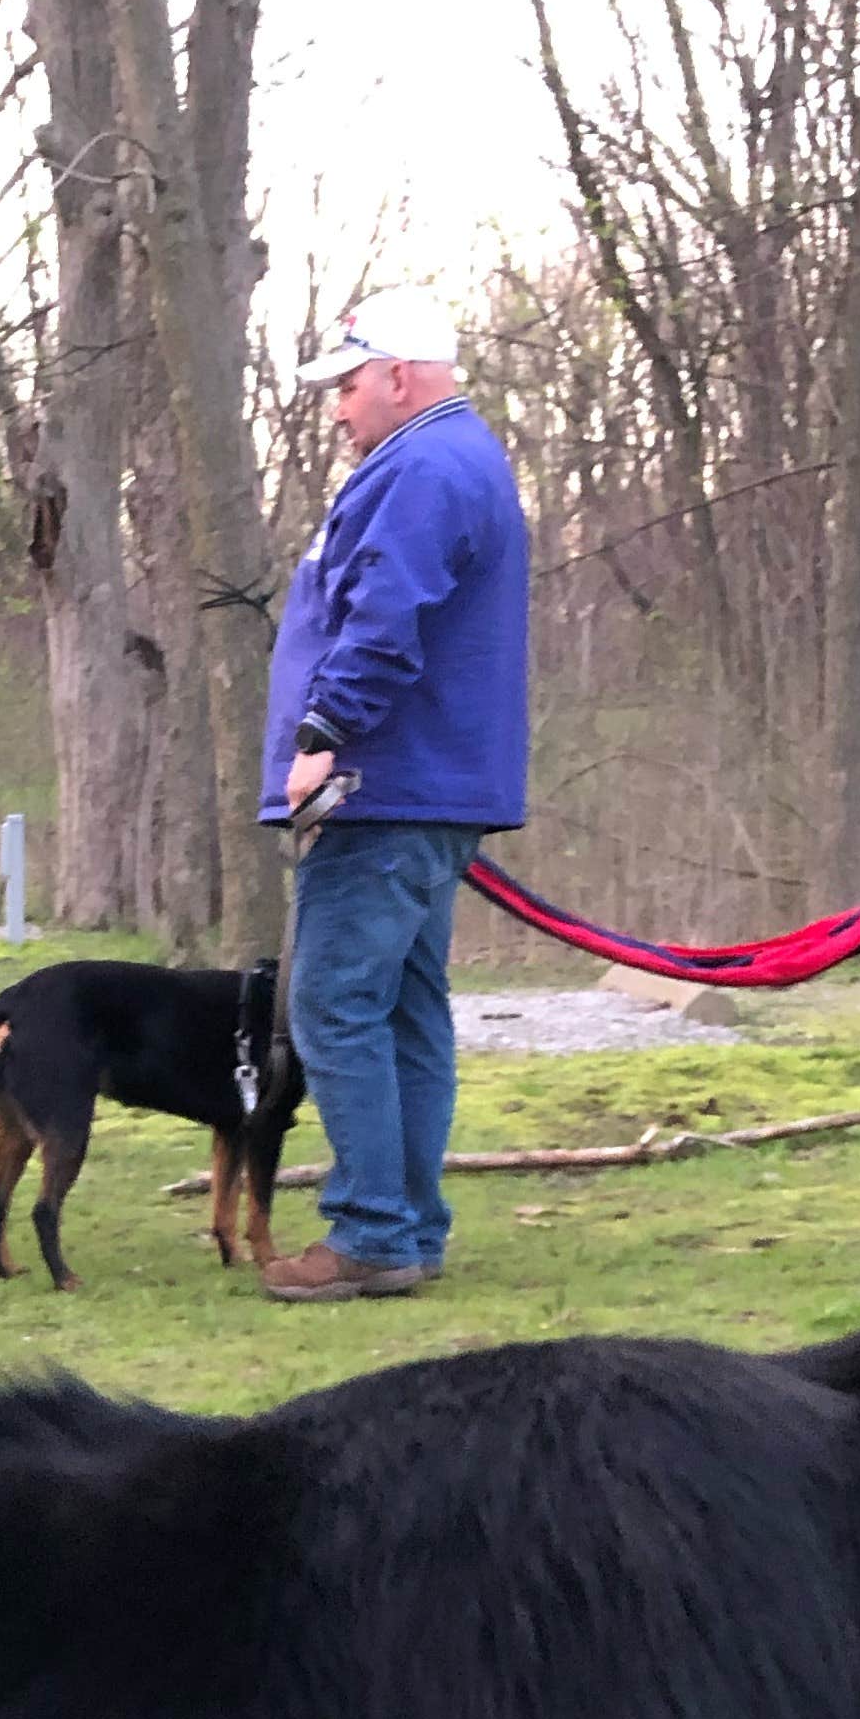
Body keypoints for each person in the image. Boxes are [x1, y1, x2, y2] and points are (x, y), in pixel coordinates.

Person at [255, 287, 530, 1306]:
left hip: (387, 783)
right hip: (431, 783)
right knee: (409, 1008)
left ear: (398, 378)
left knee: (334, 1001)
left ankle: (372, 1228)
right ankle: (410, 1226)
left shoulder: (417, 468)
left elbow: (382, 620)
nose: (337, 409)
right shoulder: (458, 460)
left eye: (347, 387)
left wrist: (322, 734)